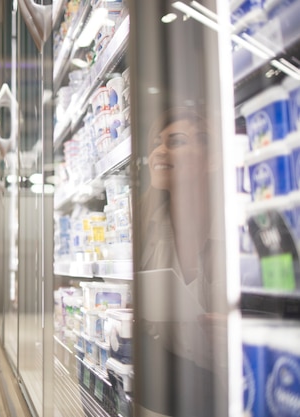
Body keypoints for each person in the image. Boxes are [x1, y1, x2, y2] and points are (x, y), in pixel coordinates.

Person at [136, 107, 228, 416]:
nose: (158, 151)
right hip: (167, 393)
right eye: (156, 142)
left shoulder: (245, 226)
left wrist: (243, 331)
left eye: (175, 141)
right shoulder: (143, 228)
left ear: (213, 158)